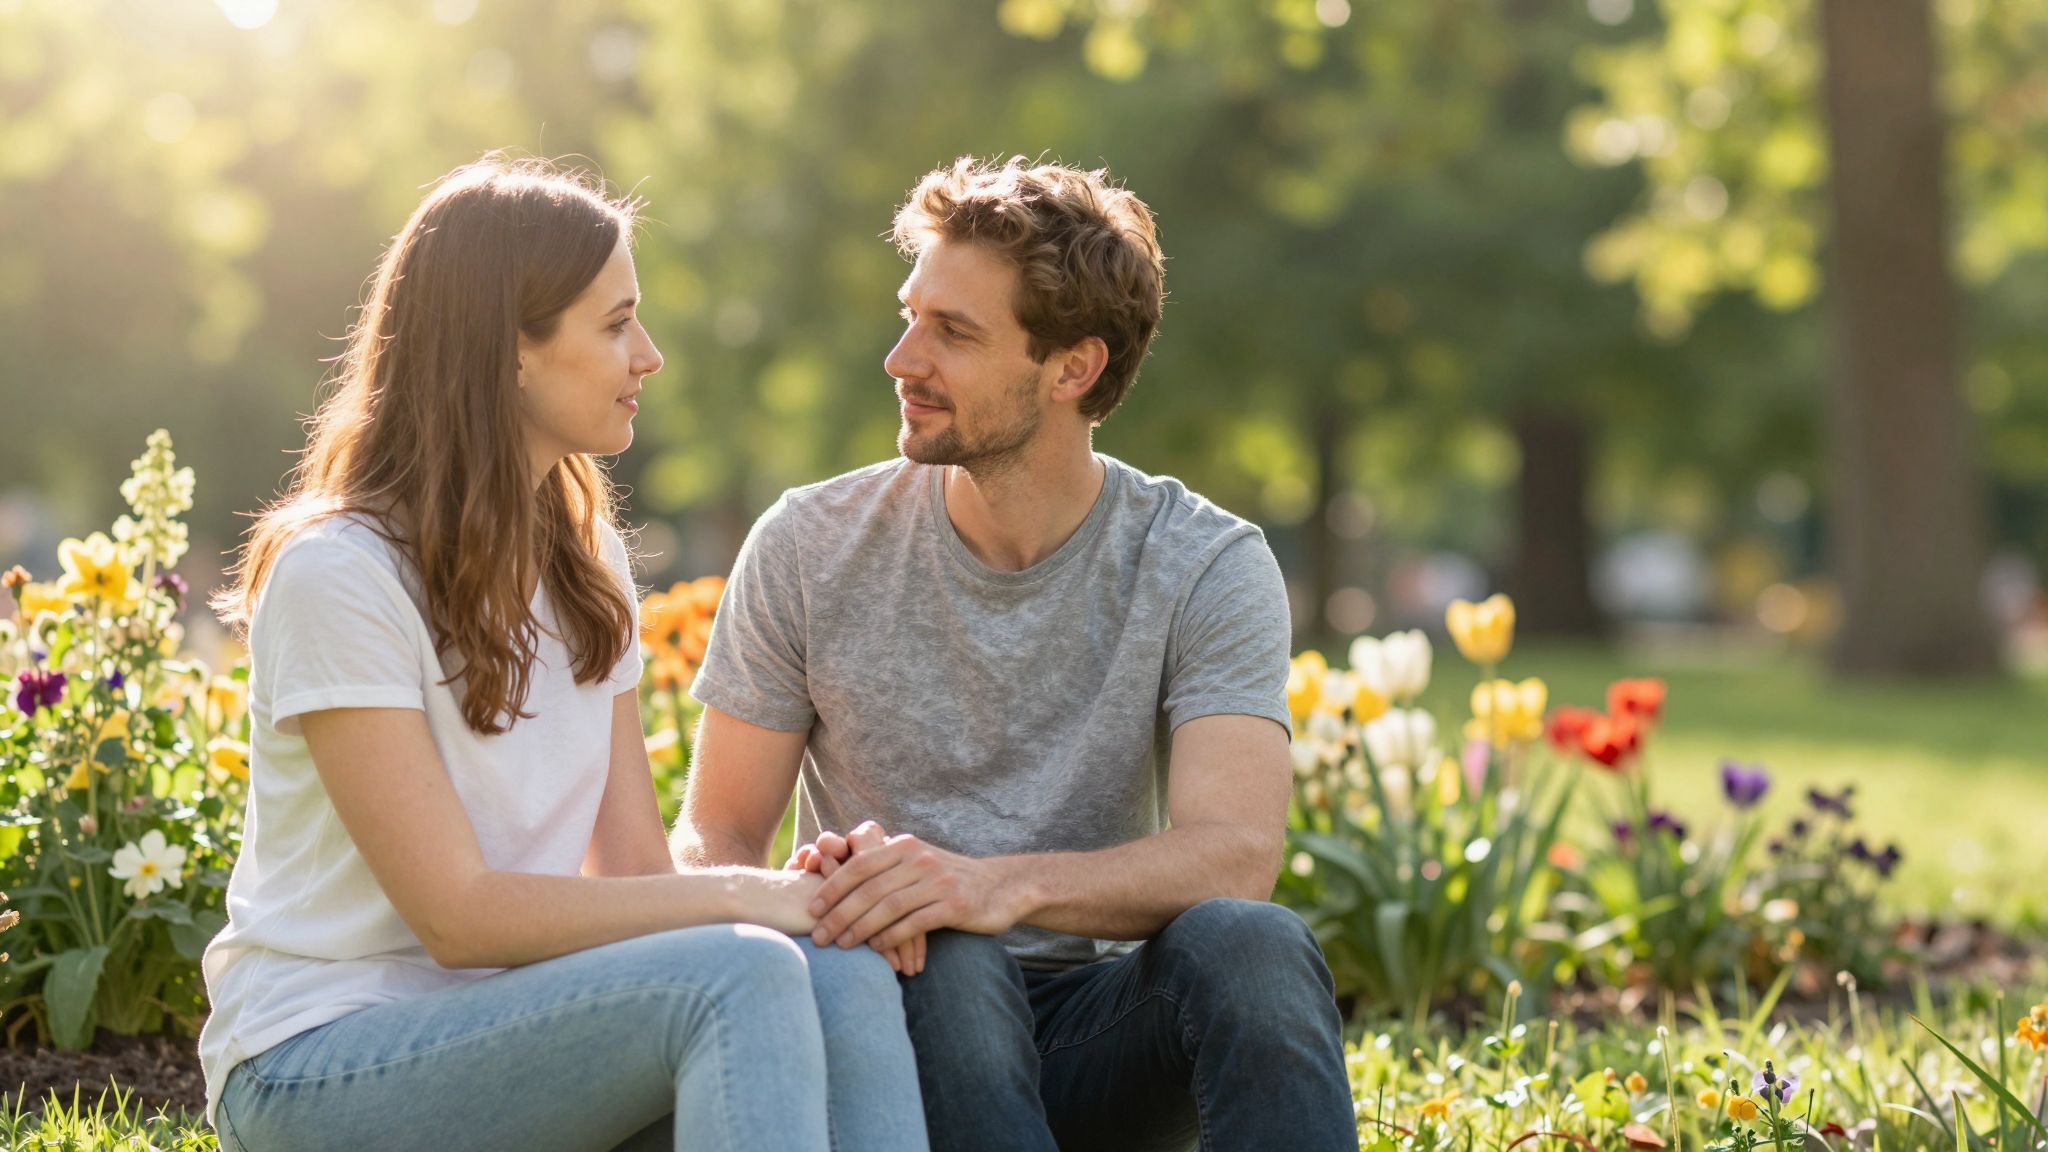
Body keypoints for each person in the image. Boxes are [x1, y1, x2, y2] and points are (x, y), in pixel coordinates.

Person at [200, 155, 926, 1152]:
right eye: (616, 322)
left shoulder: (583, 563)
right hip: (319, 1062)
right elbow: (456, 918)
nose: (649, 355)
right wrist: (747, 895)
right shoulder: (341, 573)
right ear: (509, 350)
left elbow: (627, 871)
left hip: (521, 1032)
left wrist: (807, 896)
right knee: (748, 963)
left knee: (837, 961)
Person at [673, 155, 1356, 1151]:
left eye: (951, 332)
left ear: (1071, 368)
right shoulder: (809, 543)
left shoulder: (1202, 561)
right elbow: (715, 834)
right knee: (950, 953)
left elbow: (1235, 854)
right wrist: (819, 897)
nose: (901, 357)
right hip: (887, 1021)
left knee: (1251, 942)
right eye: (910, 315)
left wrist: (992, 886)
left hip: (1096, 1033)